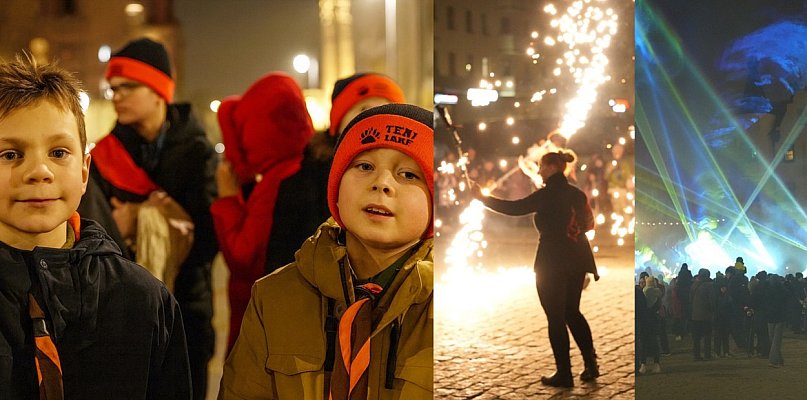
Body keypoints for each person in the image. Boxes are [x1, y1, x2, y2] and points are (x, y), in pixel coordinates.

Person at [0, 54, 191, 398]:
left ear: (85, 170)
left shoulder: (144, 301)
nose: (39, 171)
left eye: (58, 153)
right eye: (10, 154)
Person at [219, 104, 433, 399]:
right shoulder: (273, 297)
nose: (381, 184)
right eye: (365, 166)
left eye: (409, 174)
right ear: (336, 184)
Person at [77, 37, 217, 398]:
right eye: (114, 88)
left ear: (158, 90)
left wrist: (138, 218)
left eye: (128, 87)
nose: (117, 96)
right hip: (125, 311)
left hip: (188, 307)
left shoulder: (198, 153)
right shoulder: (104, 157)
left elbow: (209, 237)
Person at [472, 150, 599, 388]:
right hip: (578, 258)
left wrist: (482, 198)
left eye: (541, 166)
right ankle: (591, 364)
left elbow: (514, 208)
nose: (539, 171)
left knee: (556, 316)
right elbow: (590, 224)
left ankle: (565, 373)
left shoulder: (547, 194)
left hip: (552, 260)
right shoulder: (577, 194)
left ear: (551, 167)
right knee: (572, 311)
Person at [211, 72, 318, 351]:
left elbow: (245, 257)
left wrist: (227, 201)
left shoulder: (276, 184)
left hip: (258, 320)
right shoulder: (302, 170)